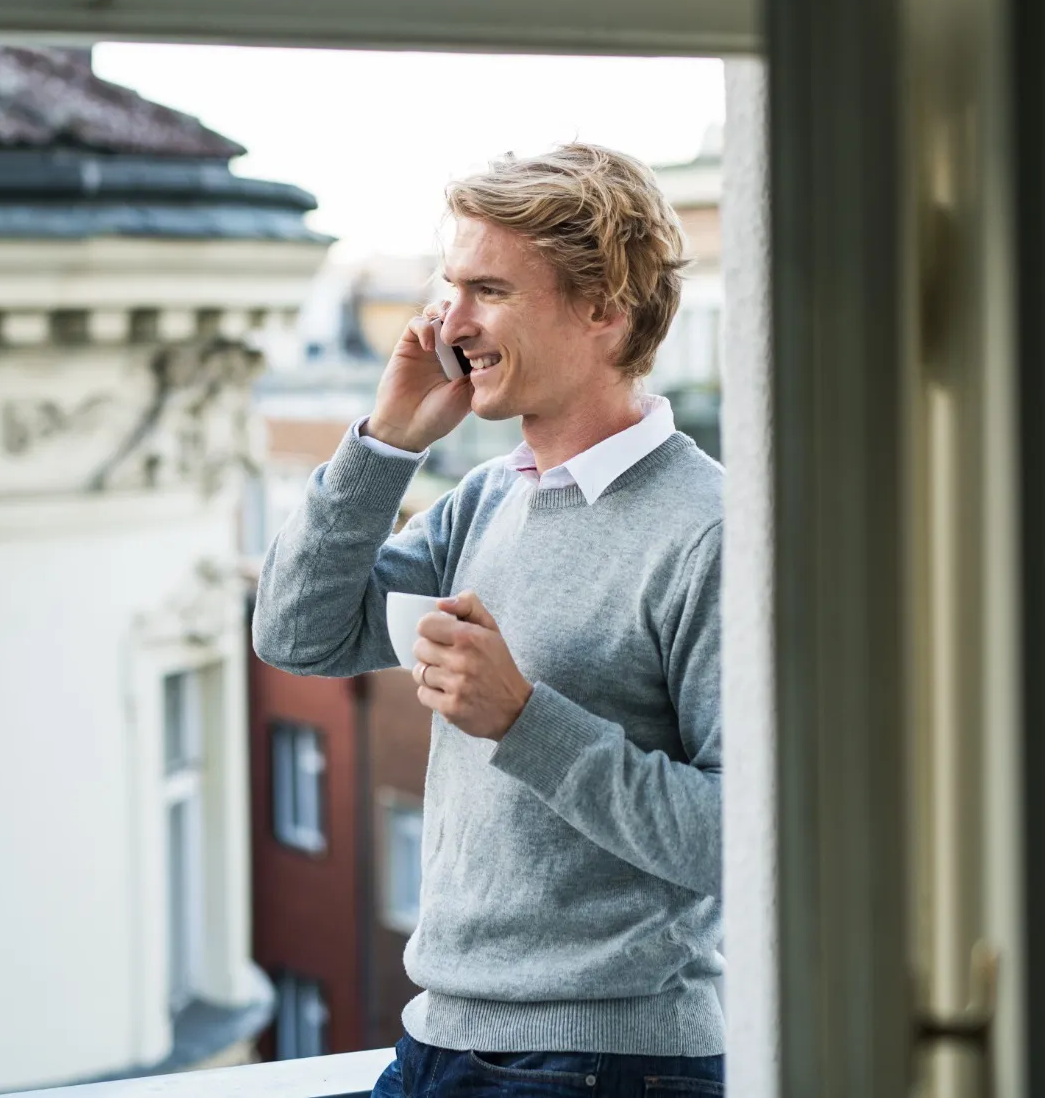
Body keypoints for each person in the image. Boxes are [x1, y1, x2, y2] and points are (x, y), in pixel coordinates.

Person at [252, 143, 725, 1098]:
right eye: (449, 285)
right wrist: (383, 444)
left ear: (604, 306)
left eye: (490, 290)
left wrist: (524, 720)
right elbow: (296, 632)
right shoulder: (483, 500)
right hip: (437, 1043)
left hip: (610, 1066)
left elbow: (736, 837)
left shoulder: (711, 528)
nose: (448, 322)